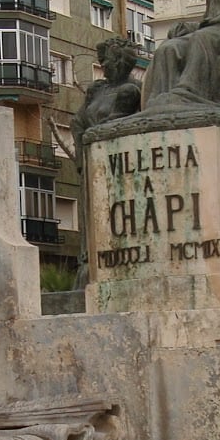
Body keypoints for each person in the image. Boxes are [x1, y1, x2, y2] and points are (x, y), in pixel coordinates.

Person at [72, 38, 142, 288]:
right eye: (102, 62)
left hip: (121, 165)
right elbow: (78, 121)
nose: (105, 66)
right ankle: (88, 265)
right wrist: (83, 155)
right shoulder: (96, 90)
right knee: (91, 216)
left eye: (108, 61)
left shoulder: (133, 90)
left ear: (122, 61)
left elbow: (132, 123)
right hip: (92, 162)